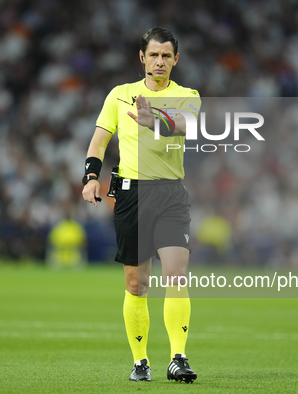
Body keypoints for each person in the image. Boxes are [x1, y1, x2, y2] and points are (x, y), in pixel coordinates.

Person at [82, 27, 200, 383]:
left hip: (170, 195)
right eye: (154, 55)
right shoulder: (120, 95)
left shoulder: (186, 95)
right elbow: (99, 141)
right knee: (136, 284)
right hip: (131, 196)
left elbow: (188, 124)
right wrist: (90, 177)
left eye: (167, 55)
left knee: (176, 275)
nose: (160, 61)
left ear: (175, 60)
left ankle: (178, 357)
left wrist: (156, 121)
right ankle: (140, 361)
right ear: (142, 58)